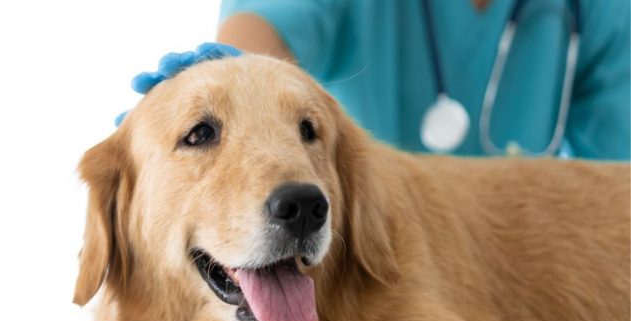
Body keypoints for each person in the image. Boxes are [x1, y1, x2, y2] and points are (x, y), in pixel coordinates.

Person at [217, 0, 630, 160]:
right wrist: (232, 82)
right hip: (375, 247)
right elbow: (255, 34)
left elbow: (617, 189)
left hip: (521, 263)